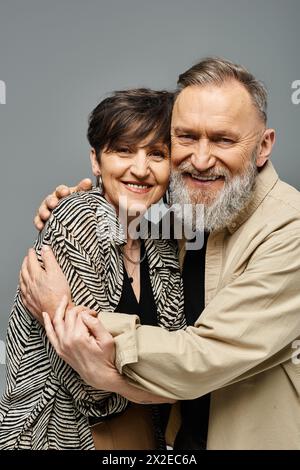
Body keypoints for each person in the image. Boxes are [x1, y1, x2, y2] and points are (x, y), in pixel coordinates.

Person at [26, 57, 300, 450]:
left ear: (263, 146)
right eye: (186, 137)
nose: (202, 159)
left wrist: (65, 314)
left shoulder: (289, 229)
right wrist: (72, 206)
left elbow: (204, 356)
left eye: (223, 140)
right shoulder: (192, 207)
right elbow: (129, 182)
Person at [0, 88, 187, 450]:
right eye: (124, 150)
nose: (140, 168)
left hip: (145, 432)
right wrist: (164, 386)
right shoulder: (77, 218)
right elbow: (91, 388)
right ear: (96, 162)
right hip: (61, 432)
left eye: (157, 153)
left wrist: (164, 382)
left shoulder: (160, 240)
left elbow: (178, 360)